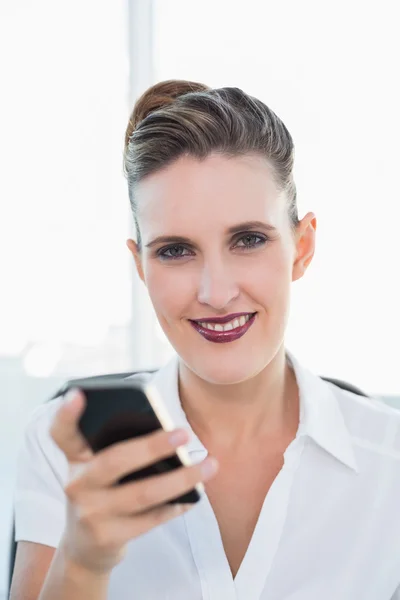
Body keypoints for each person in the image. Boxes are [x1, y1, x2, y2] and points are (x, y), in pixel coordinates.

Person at [10, 80, 400, 600]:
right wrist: (84, 563)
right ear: (141, 266)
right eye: (175, 251)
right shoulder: (67, 448)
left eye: (249, 240)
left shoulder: (389, 461)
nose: (216, 293)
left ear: (301, 248)